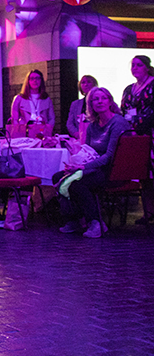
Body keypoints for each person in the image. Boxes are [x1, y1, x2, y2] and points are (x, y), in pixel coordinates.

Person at [57, 87, 130, 238]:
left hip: (113, 170)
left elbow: (109, 156)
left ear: (109, 101)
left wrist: (83, 167)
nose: (99, 102)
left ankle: (96, 222)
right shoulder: (92, 126)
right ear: (90, 104)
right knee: (59, 177)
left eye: (103, 98)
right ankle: (75, 220)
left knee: (78, 183)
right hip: (94, 168)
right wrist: (76, 163)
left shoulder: (118, 123)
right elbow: (87, 150)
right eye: (95, 99)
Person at [120, 55, 154, 224]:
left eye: (139, 65)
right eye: (132, 65)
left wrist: (140, 121)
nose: (135, 68)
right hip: (136, 137)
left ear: (147, 67)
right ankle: (148, 212)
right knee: (144, 174)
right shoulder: (129, 89)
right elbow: (123, 110)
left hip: (152, 134)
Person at [11, 69, 55, 134]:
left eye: (37, 78)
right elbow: (14, 119)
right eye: (32, 78)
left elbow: (51, 118)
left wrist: (48, 129)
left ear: (41, 81)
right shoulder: (19, 98)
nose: (35, 80)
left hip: (42, 130)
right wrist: (19, 132)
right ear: (28, 81)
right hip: (26, 131)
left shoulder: (46, 99)